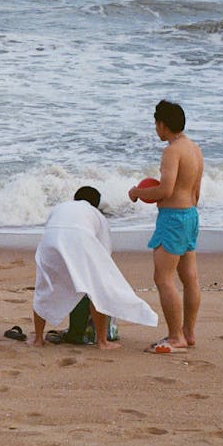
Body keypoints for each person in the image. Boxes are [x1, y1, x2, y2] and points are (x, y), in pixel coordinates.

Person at [30, 186, 158, 350]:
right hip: (79, 240)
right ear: (96, 205)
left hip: (50, 243)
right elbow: (104, 249)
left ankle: (38, 340)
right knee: (97, 289)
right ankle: (102, 342)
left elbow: (53, 228)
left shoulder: (60, 207)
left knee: (44, 288)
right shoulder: (96, 214)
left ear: (75, 198)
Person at [128, 99, 204, 354]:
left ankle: (175, 337)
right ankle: (189, 333)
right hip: (191, 215)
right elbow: (196, 192)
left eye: (156, 124)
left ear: (163, 125)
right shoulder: (194, 148)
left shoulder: (172, 151)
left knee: (163, 278)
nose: (155, 129)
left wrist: (138, 192)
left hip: (173, 218)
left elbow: (166, 189)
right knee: (190, 278)